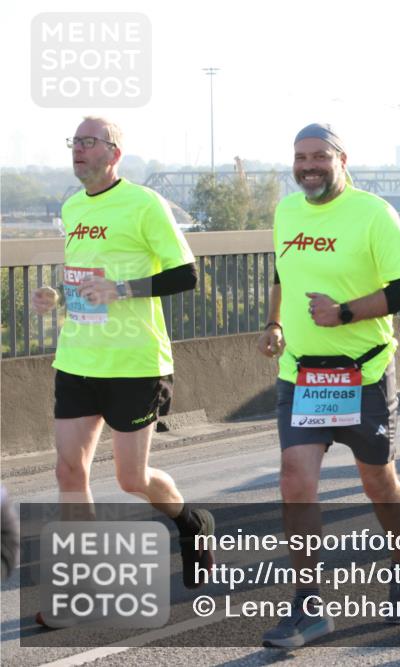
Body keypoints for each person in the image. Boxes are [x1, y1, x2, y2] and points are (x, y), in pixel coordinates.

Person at [30, 117, 211, 627]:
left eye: (89, 142)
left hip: (135, 363)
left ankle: (190, 520)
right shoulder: (70, 208)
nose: (78, 150)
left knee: (132, 478)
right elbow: (87, 283)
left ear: (114, 153)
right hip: (78, 358)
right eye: (74, 142)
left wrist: (124, 290)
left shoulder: (145, 203)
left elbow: (186, 274)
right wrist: (56, 297)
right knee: (69, 470)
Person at [256, 123, 400, 646]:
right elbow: (283, 273)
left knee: (378, 481)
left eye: (318, 157)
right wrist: (274, 323)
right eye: (300, 157)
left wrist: (345, 313)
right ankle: (308, 604)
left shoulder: (374, 213)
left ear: (341, 159)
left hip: (363, 372)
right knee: (294, 477)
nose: (307, 166)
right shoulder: (286, 211)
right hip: (301, 373)